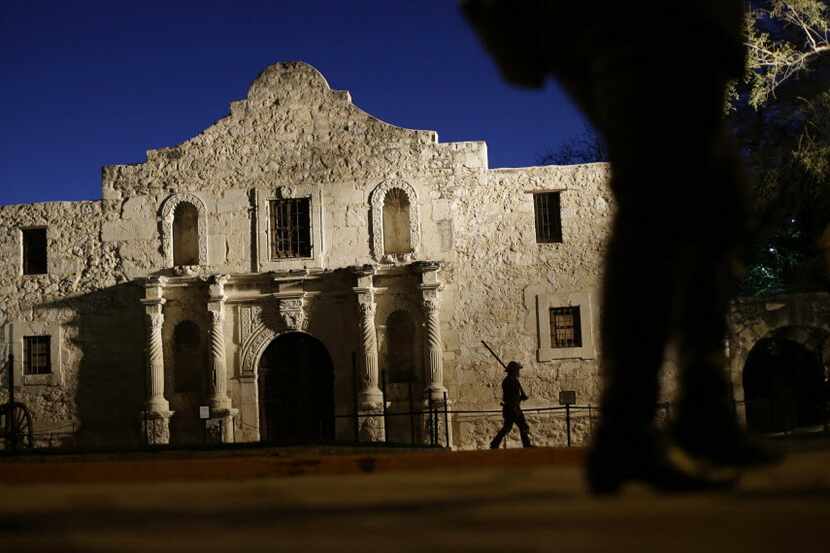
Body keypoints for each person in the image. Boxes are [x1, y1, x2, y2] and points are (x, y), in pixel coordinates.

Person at [462, 1, 778, 492]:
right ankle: (636, 424)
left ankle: (690, 407)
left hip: (682, 28)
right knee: (662, 196)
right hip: (628, 24)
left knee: (713, 198)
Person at [490, 361, 534, 449]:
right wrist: (521, 398)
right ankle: (527, 445)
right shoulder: (511, 381)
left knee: (507, 428)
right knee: (523, 426)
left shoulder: (510, 380)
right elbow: (512, 397)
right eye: (517, 370)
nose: (518, 372)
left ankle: (494, 443)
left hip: (510, 408)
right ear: (513, 371)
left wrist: (521, 397)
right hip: (513, 407)